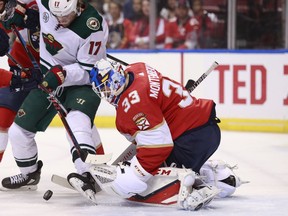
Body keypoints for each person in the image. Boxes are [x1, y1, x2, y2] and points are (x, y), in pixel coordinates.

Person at [88, 59, 243, 210]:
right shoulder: (138, 68)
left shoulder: (133, 104)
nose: (105, 94)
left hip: (189, 142)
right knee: (155, 163)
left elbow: (158, 147)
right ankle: (223, 179)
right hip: (207, 128)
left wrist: (136, 175)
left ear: (115, 80)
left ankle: (186, 188)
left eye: (104, 88)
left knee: (136, 183)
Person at [1, 0, 108, 203]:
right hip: (48, 74)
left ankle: (87, 173)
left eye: (66, 15)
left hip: (81, 83)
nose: (60, 19)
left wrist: (63, 73)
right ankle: (29, 174)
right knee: (18, 131)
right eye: (56, 14)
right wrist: (19, 10)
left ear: (78, 6)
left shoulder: (93, 26)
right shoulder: (47, 3)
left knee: (76, 122)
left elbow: (89, 71)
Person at [0, 0, 40, 163]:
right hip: (21, 73)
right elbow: (6, 22)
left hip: (55, 74)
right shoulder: (12, 5)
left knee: (77, 119)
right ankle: (29, 173)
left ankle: (90, 169)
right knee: (2, 119)